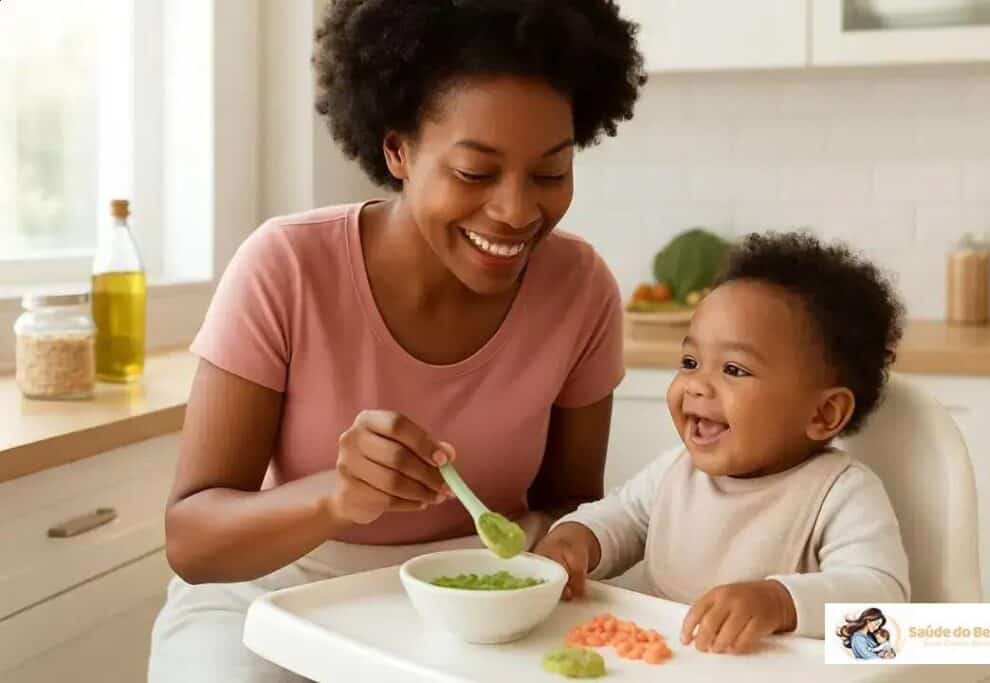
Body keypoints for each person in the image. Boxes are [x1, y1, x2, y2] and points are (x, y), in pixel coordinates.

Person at [148, 1, 645, 680]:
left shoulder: (580, 288)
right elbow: (193, 543)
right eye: (475, 173)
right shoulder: (286, 267)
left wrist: (557, 552)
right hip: (271, 594)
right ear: (397, 150)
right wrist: (333, 496)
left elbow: (572, 503)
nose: (517, 210)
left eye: (551, 173)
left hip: (481, 600)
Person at [536, 233, 911, 654]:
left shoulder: (840, 492)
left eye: (734, 369)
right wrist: (577, 539)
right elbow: (621, 517)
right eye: (690, 363)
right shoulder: (675, 472)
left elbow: (881, 594)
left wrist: (779, 602)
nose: (695, 385)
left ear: (822, 414)